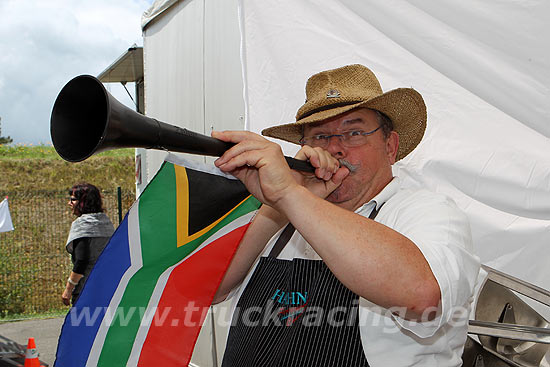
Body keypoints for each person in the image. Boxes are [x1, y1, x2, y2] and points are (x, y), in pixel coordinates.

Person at [211, 64, 480, 366]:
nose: (336, 148)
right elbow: (208, 289)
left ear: (390, 147)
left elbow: (423, 296)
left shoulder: (427, 212)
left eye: (353, 133)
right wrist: (279, 206)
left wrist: (291, 196)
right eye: (320, 136)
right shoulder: (283, 213)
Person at [61, 183, 114, 306]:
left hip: (86, 290)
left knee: (81, 324)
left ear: (84, 202)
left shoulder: (82, 225)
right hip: (108, 287)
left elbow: (82, 260)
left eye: (73, 200)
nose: (69, 203)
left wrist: (68, 289)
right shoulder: (107, 223)